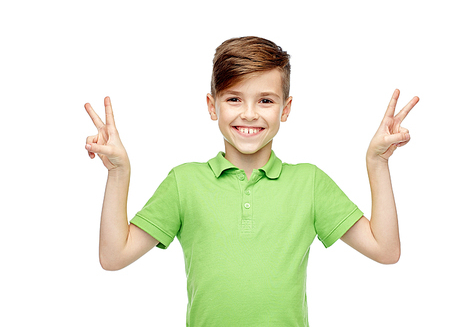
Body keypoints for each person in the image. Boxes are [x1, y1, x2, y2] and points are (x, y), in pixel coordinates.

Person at [84, 36, 419, 326]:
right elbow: (114, 257)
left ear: (285, 109)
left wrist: (376, 163)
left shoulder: (309, 183)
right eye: (233, 98)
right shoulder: (184, 182)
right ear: (211, 106)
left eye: (265, 100)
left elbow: (385, 250)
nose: (249, 113)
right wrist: (118, 173)